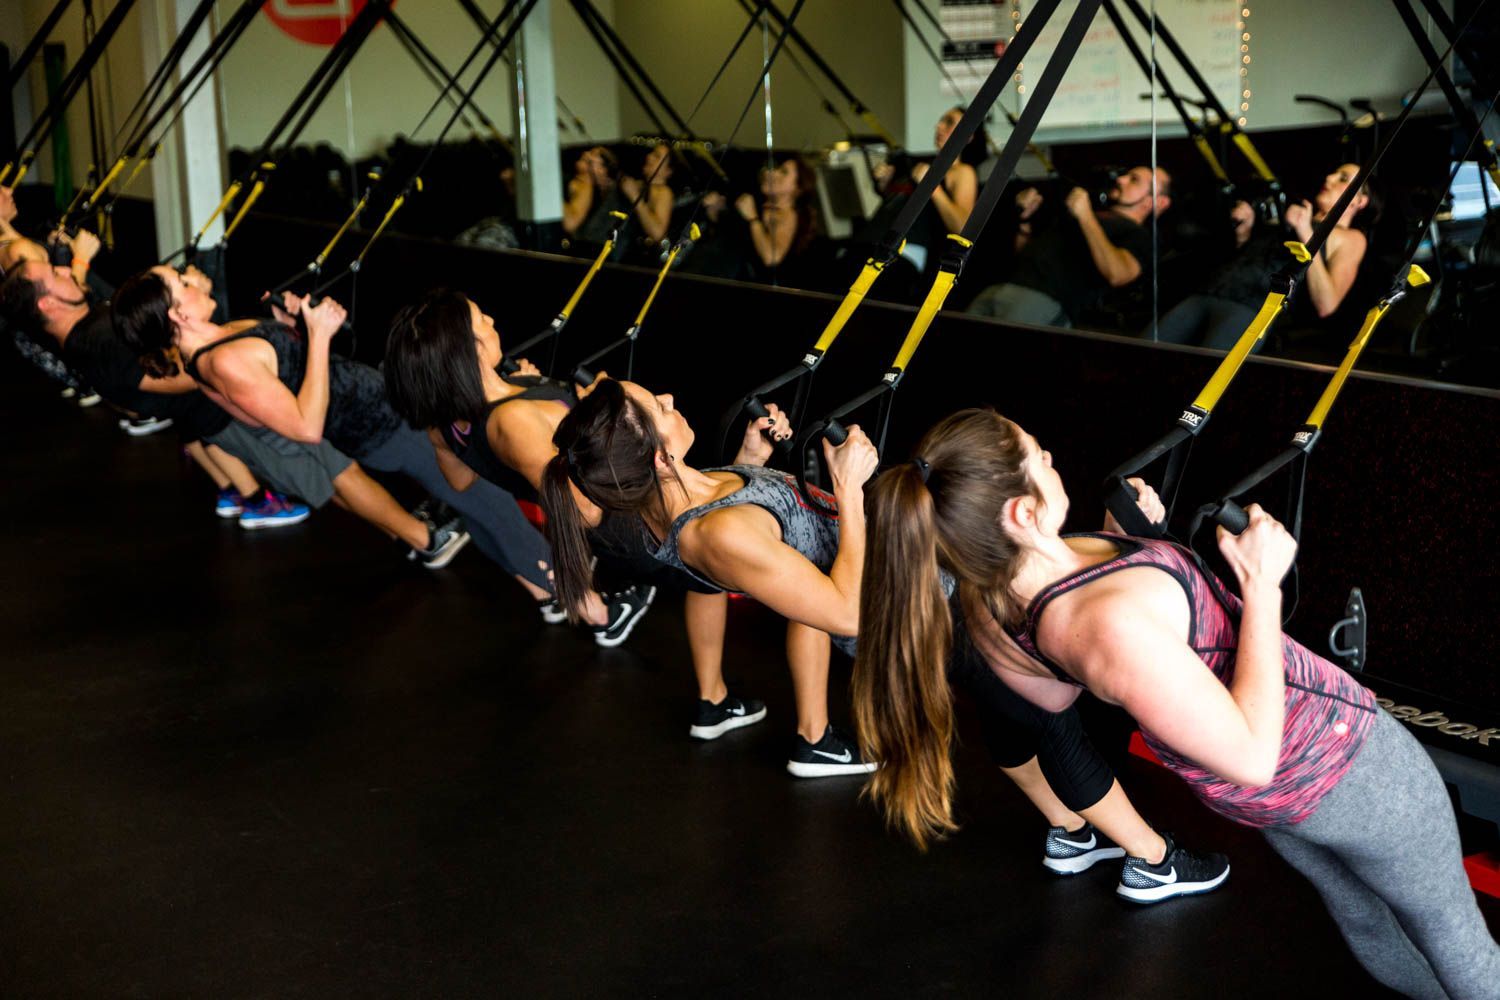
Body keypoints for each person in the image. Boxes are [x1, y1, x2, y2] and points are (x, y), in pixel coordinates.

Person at [857, 408, 1500, 997]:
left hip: (1261, 798)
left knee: (1365, 911)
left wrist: (1124, 546)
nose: (1052, 457)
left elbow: (1057, 693)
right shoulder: (1109, 622)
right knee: (1452, 928)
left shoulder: (987, 600)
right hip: (1334, 757)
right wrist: (1261, 583)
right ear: (1022, 515)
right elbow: (1252, 754)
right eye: (1040, 455)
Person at [112, 265, 551, 577]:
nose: (193, 278)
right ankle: (568, 593)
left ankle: (545, 587)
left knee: (478, 503)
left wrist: (295, 325)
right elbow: (305, 426)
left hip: (383, 404)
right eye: (182, 283)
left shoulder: (223, 338)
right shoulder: (222, 362)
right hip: (378, 427)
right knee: (487, 500)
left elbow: (290, 369)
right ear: (178, 315)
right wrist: (319, 337)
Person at [539, 377, 880, 777]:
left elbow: (742, 519)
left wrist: (750, 459)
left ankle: (807, 738)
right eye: (660, 408)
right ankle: (815, 741)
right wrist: (849, 487)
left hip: (872, 556)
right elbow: (847, 615)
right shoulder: (713, 532)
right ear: (661, 460)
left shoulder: (681, 489)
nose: (669, 396)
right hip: (891, 593)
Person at [381, 288, 659, 645]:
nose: (492, 321)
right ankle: (611, 620)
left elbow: (460, 480)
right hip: (637, 526)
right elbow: (585, 511)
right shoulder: (512, 421)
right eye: (481, 318)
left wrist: (530, 393)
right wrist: (598, 417)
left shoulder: (446, 423)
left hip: (623, 519)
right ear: (470, 349)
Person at [0, 258, 310, 527]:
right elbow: (176, 380)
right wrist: (205, 325)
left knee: (198, 421)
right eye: (56, 274)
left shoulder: (88, 329)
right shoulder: (97, 341)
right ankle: (256, 501)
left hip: (184, 408)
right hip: (196, 406)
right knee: (212, 418)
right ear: (48, 305)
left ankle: (230, 488)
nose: (67, 270)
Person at [1156, 164, 1378, 350]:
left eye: (1343, 178)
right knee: (1146, 351)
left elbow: (1326, 304)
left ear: (1360, 201)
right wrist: (1245, 231)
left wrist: (1305, 232)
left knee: (1205, 380)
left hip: (1253, 306)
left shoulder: (1350, 237)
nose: (1329, 177)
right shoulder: (1289, 216)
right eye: (1334, 173)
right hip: (1209, 291)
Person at [967, 165, 1171, 328]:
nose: (1120, 179)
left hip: (1041, 301)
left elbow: (1118, 273)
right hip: (1000, 287)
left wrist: (1085, 215)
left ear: (1158, 202)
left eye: (1134, 180)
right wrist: (1025, 221)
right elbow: (1024, 254)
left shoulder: (1140, 237)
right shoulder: (1086, 214)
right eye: (1126, 175)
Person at [734, 156, 819, 283]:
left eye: (784, 172)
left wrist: (753, 219)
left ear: (798, 189)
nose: (771, 173)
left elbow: (771, 257)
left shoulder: (787, 215)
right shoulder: (761, 207)